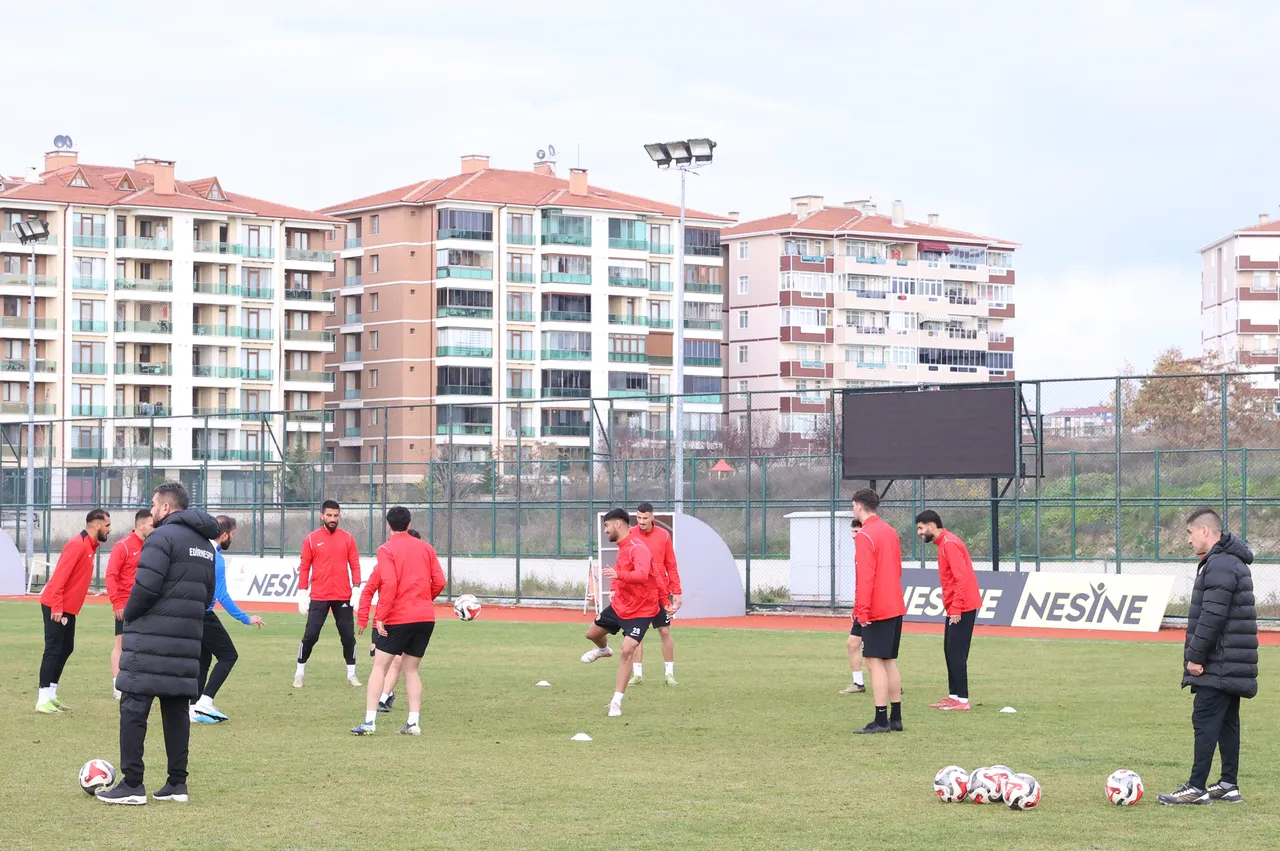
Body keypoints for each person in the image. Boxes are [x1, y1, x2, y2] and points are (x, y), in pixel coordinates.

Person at [97, 483, 218, 805]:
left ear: (165, 508)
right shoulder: (206, 545)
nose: (151, 510)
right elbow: (207, 596)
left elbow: (146, 588)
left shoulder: (160, 538)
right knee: (176, 710)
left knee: (134, 707)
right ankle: (177, 783)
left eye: (153, 504)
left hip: (150, 640)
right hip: (186, 641)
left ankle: (132, 784)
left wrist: (130, 618)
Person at [1158, 508, 1258, 806]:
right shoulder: (1230, 561)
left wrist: (1195, 656)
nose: (1188, 540)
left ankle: (1196, 787)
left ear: (1205, 531)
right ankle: (1228, 784)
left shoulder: (1219, 564)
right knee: (1228, 723)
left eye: (1189, 533)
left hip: (1220, 661)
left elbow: (1212, 616)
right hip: (1232, 661)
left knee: (1205, 719)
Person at [351, 508, 445, 736]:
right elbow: (440, 581)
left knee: (379, 668)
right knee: (411, 671)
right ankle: (413, 723)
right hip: (425, 617)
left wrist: (380, 615)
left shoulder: (386, 549)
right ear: (409, 522)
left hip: (399, 617)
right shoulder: (426, 547)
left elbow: (390, 583)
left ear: (388, 525)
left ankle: (370, 722)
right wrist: (423, 599)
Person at [581, 508, 657, 718]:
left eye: (606, 526)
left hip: (641, 609)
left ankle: (616, 702)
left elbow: (642, 575)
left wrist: (618, 575)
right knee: (592, 635)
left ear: (617, 524)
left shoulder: (637, 548)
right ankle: (603, 650)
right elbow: (620, 569)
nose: (605, 531)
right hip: (621, 605)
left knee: (626, 650)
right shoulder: (624, 547)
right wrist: (615, 587)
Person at [191, 516, 265, 724]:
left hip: (190, 613)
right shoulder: (216, 559)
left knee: (203, 660)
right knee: (229, 655)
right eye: (232, 534)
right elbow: (222, 596)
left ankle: (192, 707)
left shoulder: (198, 550)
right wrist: (246, 618)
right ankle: (205, 701)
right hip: (204, 615)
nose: (232, 537)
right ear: (224, 535)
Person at [37, 508, 112, 713]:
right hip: (56, 605)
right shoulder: (77, 545)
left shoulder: (90, 545)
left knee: (66, 648)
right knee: (53, 649)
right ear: (96, 525)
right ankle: (42, 698)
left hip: (68, 607)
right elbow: (59, 577)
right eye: (107, 525)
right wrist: (57, 607)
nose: (109, 529)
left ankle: (51, 694)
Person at [850, 488, 906, 735]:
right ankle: (896, 717)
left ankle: (881, 720)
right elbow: (898, 568)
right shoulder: (890, 531)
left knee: (874, 662)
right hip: (894, 603)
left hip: (876, 608)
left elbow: (865, 577)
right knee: (890, 661)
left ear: (858, 505)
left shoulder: (866, 535)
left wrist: (861, 611)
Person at [916, 510, 981, 712]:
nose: (919, 532)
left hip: (962, 606)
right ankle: (954, 696)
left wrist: (956, 607)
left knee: (957, 653)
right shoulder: (944, 543)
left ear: (932, 525)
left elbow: (961, 578)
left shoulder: (950, 544)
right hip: (956, 605)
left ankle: (963, 700)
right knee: (950, 650)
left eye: (920, 527)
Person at [294, 499, 363, 689]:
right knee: (311, 635)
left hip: (342, 595)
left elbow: (355, 564)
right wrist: (302, 591)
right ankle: (299, 673)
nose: (333, 519)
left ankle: (351, 674)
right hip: (319, 595)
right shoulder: (311, 539)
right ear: (321, 516)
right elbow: (305, 566)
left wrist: (356, 587)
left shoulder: (348, 538)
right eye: (329, 515)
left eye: (336, 515)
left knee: (348, 636)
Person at [630, 503, 681, 687]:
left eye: (645, 518)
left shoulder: (663, 536)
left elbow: (671, 565)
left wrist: (676, 592)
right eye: (638, 518)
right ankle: (637, 675)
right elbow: (623, 563)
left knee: (665, 630)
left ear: (652, 517)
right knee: (636, 634)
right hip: (638, 593)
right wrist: (615, 587)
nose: (641, 521)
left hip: (660, 592)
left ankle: (669, 674)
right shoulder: (630, 535)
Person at [107, 510, 153, 701]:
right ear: (140, 525)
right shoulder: (123, 546)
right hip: (125, 605)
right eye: (151, 524)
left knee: (144, 645)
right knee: (121, 644)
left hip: (146, 605)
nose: (154, 528)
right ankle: (118, 685)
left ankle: (138, 682)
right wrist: (117, 602)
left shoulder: (152, 546)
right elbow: (111, 575)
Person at [841, 517, 866, 695]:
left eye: (856, 532)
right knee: (852, 643)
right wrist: (856, 608)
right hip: (862, 607)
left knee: (877, 650)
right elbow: (860, 584)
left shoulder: (869, 550)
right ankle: (858, 683)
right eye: (852, 532)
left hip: (873, 609)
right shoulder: (858, 552)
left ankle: (892, 683)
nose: (853, 536)